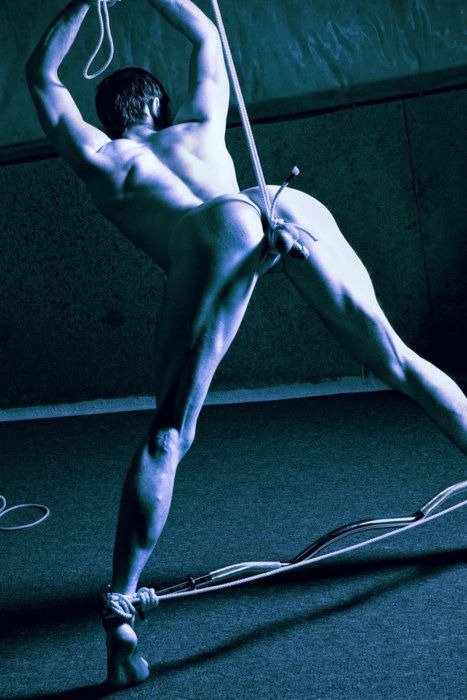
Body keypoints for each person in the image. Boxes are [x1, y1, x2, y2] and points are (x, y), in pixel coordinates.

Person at [26, 0, 467, 689]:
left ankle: (121, 610)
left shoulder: (102, 155)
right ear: (160, 105)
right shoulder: (201, 125)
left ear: (106, 114)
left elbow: (43, 75)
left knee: (169, 432)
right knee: (396, 359)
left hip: (212, 230)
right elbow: (204, 30)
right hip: (277, 201)